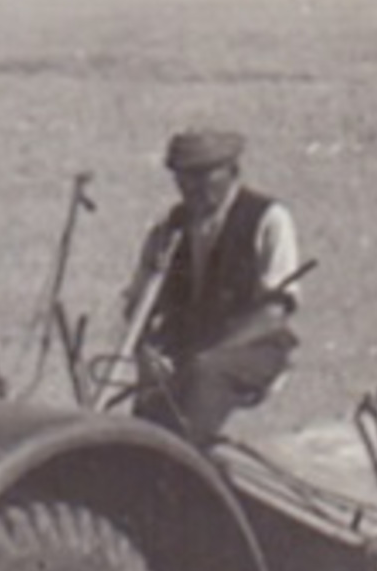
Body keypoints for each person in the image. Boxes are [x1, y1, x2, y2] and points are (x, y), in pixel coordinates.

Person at [119, 129, 305, 444]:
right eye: (184, 178)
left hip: (253, 349)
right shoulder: (169, 229)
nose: (193, 187)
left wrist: (208, 353)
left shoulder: (269, 219)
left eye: (204, 176)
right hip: (187, 349)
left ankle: (186, 460)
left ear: (232, 171)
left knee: (204, 374)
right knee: (150, 414)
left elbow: (273, 314)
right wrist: (146, 349)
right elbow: (138, 306)